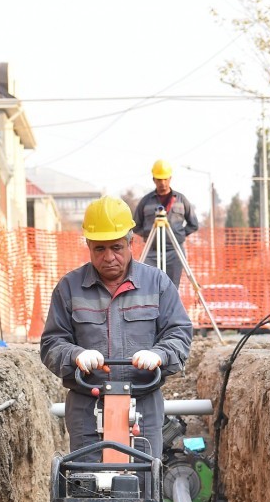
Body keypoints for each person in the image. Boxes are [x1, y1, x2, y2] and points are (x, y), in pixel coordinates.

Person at [41, 195, 192, 458]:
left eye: (116, 247)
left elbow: (179, 333)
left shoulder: (157, 283)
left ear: (130, 242)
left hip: (143, 407)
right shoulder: (69, 288)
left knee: (143, 487)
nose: (109, 257)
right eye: (100, 249)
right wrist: (75, 355)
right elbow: (52, 344)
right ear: (88, 245)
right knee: (88, 488)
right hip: (87, 407)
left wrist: (160, 354)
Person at [132, 159, 199, 288]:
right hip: (152, 251)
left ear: (170, 178)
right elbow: (135, 225)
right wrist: (148, 234)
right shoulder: (146, 201)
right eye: (159, 179)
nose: (162, 183)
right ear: (154, 180)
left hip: (175, 251)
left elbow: (193, 224)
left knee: (172, 288)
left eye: (165, 179)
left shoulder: (181, 199)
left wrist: (179, 235)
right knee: (149, 286)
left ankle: (170, 309)